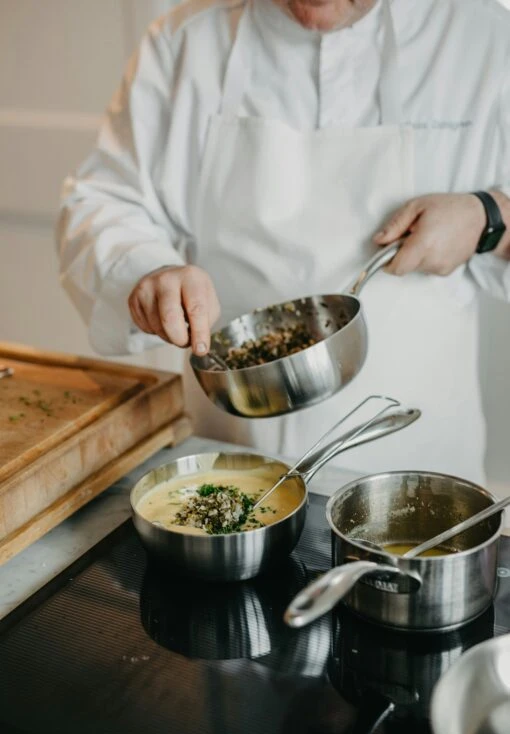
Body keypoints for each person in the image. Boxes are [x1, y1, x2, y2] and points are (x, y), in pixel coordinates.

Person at [57, 0, 510, 484]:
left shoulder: (485, 36)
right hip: (227, 456)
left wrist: (491, 216)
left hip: (420, 467)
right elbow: (104, 203)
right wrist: (148, 270)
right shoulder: (186, 41)